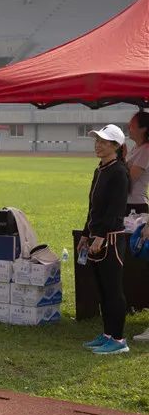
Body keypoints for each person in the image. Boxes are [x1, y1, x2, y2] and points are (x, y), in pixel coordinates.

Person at [80, 125, 131, 355]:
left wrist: (99, 237)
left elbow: (115, 210)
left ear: (116, 146)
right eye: (97, 141)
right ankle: (108, 334)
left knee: (113, 290)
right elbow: (93, 207)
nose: (98, 145)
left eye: (104, 142)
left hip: (110, 240)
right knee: (102, 289)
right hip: (97, 237)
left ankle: (119, 340)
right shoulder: (100, 170)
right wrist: (85, 234)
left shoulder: (119, 172)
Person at [126, 112, 149, 343]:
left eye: (132, 124)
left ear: (143, 128)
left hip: (137, 209)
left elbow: (128, 180)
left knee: (138, 253)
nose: (128, 126)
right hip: (126, 207)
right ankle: (131, 299)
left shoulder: (145, 150)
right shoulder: (135, 149)